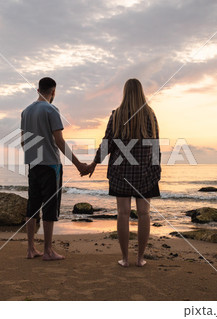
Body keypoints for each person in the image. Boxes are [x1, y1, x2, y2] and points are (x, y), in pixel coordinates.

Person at [85, 78, 161, 267]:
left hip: (121, 172)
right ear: (141, 92)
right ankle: (140, 258)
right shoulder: (150, 114)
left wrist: (94, 163)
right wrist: (157, 169)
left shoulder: (116, 115)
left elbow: (107, 143)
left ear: (125, 92)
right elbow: (155, 145)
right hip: (145, 171)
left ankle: (125, 259)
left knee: (123, 213)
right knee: (144, 213)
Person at [21, 77, 88, 261]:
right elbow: (59, 141)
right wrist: (79, 164)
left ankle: (30, 249)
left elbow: (23, 141)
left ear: (38, 90)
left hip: (33, 165)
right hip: (51, 165)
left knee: (32, 207)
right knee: (50, 207)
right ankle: (48, 251)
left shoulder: (26, 112)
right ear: (53, 92)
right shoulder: (51, 110)